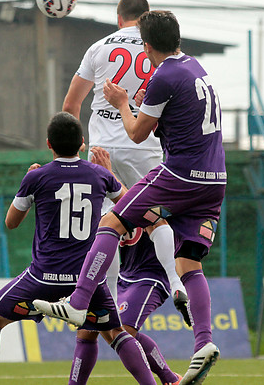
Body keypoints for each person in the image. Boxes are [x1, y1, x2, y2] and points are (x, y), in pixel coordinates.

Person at [35, 10, 226, 385]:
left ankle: (78, 302)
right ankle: (203, 342)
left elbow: (137, 133)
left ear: (147, 45)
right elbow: (176, 121)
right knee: (190, 263)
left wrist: (123, 102)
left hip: (179, 173)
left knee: (111, 221)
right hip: (215, 178)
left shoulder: (164, 75)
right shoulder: (193, 67)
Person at [0, 112, 157, 385]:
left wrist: (27, 184)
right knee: (117, 333)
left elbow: (11, 223)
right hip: (86, 280)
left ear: (49, 144)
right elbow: (130, 204)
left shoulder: (37, 177)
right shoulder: (99, 175)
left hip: (42, 278)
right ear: (82, 143)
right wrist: (109, 175)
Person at [62, 0, 187, 308]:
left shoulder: (99, 47)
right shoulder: (155, 49)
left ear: (119, 18)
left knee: (108, 225)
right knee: (156, 217)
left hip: (102, 148)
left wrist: (76, 147)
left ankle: (112, 299)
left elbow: (71, 104)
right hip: (143, 145)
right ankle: (175, 281)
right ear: (145, 18)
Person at [73, 148, 182, 385]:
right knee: (88, 330)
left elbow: (140, 209)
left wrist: (109, 175)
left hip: (150, 275)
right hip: (124, 274)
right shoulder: (115, 193)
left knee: (123, 330)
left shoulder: (157, 187)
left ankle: (169, 378)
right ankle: (170, 379)